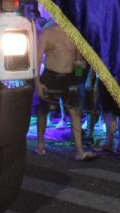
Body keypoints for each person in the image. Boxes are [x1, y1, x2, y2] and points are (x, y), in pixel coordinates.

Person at [35, 20, 95, 160]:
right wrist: (37, 83)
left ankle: (79, 151)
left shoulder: (75, 34)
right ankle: (40, 143)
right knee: (43, 111)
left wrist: (79, 69)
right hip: (50, 76)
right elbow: (36, 60)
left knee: (75, 112)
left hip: (70, 78)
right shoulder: (48, 32)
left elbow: (79, 60)